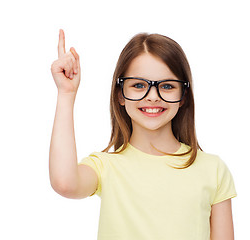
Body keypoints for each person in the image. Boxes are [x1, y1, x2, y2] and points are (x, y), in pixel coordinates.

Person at [49, 29, 237, 240]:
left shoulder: (213, 169)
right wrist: (66, 93)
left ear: (183, 96)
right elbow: (65, 183)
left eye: (167, 86)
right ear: (120, 94)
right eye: (139, 85)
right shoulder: (106, 167)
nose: (153, 97)